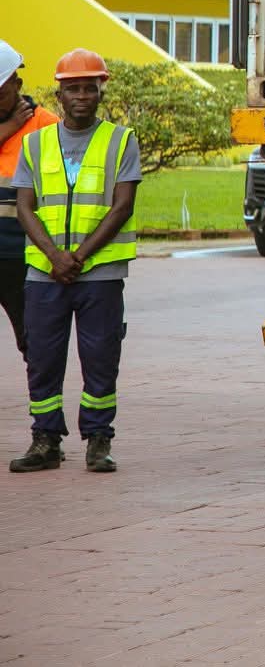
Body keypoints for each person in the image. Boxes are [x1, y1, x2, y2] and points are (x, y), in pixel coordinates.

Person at [10, 49, 140, 474]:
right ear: (59, 94)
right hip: (45, 274)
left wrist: (78, 257)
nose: (82, 96)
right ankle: (45, 439)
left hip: (99, 273)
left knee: (100, 357)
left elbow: (122, 206)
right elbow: (25, 207)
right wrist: (53, 257)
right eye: (73, 89)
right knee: (43, 359)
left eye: (89, 87)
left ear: (101, 91)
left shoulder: (121, 140)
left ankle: (98, 440)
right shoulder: (35, 142)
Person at [0, 40, 60, 359]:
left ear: (17, 85)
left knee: (36, 344)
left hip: (21, 257)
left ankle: (45, 408)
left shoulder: (46, 127)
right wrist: (8, 128)